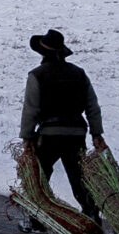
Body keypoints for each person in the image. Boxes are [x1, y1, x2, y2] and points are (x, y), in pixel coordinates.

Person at [20, 29, 105, 224]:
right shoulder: (79, 73)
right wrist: (97, 133)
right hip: (76, 134)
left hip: (49, 135)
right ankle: (92, 218)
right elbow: (93, 106)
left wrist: (27, 137)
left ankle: (35, 222)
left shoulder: (37, 75)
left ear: (42, 53)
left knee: (39, 178)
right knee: (79, 179)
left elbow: (30, 109)